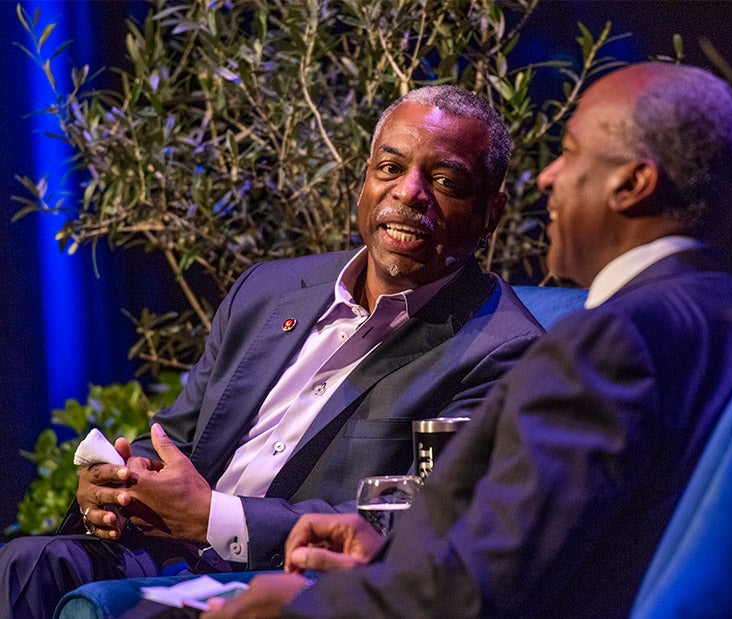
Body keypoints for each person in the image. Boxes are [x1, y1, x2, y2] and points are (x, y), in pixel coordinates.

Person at [201, 62, 732, 618]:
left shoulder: (610, 342)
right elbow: (580, 545)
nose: (548, 177)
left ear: (632, 184)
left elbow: (483, 592)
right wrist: (387, 559)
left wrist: (301, 607)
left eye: (570, 152)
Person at [0, 85, 544, 618]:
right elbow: (177, 436)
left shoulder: (503, 351)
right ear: (364, 181)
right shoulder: (269, 289)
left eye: (445, 179)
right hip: (161, 555)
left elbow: (421, 522)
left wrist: (215, 517)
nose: (410, 192)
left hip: (284, 582)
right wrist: (120, 483)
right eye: (390, 168)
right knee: (24, 563)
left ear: (490, 212)